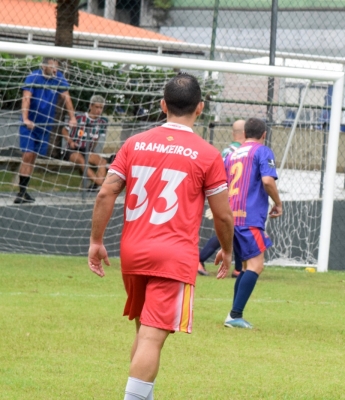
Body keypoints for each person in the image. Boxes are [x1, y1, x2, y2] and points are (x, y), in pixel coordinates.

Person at [87, 73, 234, 400]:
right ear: (201, 108)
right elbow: (223, 214)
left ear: (162, 105)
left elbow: (105, 194)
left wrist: (96, 241)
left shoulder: (133, 143)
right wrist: (226, 249)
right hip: (172, 256)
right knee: (153, 338)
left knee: (144, 332)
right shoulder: (207, 154)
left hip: (133, 252)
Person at [223, 117, 283, 329]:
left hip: (232, 217)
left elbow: (222, 186)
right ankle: (234, 315)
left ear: (245, 133)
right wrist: (278, 203)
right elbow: (267, 181)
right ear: (264, 135)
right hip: (249, 219)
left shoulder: (231, 156)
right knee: (256, 266)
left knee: (246, 266)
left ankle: (234, 313)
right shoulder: (262, 151)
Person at [15, 57, 77, 204]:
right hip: (29, 125)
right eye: (52, 66)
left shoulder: (58, 78)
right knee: (28, 154)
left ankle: (24, 191)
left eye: (57, 67)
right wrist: (25, 119)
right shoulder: (33, 77)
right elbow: (26, 98)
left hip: (45, 125)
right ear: (44, 66)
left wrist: (72, 117)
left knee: (33, 157)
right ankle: (20, 192)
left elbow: (66, 98)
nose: (55, 69)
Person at [198, 119, 245, 277]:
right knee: (232, 230)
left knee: (232, 231)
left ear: (233, 133)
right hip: (238, 197)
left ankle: (239, 268)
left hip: (223, 194)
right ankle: (237, 268)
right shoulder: (246, 152)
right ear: (246, 134)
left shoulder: (226, 151)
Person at [60, 95, 109, 191]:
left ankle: (95, 186)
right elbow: (64, 130)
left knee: (102, 162)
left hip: (87, 149)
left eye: (101, 108)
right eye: (97, 107)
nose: (99, 110)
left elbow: (97, 139)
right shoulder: (78, 117)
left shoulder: (102, 122)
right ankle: (100, 183)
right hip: (73, 148)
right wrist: (70, 142)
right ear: (91, 106)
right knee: (82, 160)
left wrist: (92, 149)